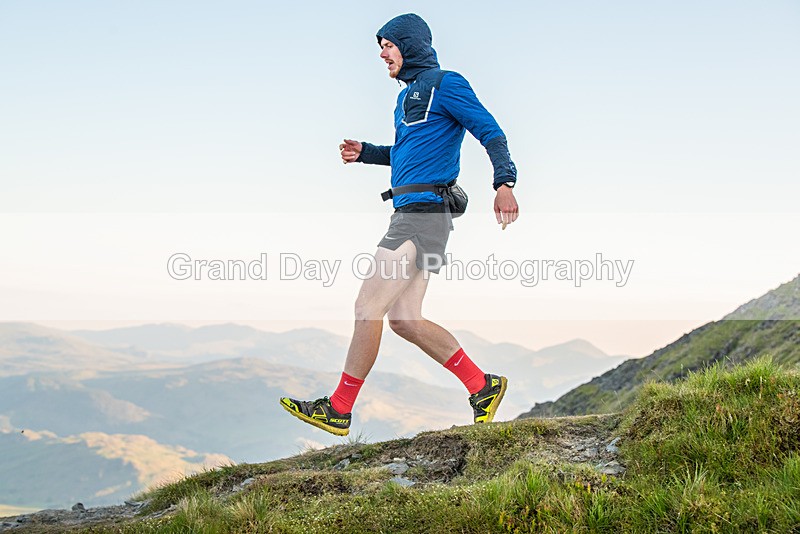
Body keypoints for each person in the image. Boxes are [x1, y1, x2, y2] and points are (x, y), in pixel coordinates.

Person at [280, 13, 518, 436]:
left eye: (388, 45)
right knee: (404, 318)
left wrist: (504, 182)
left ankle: (339, 407)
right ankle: (482, 386)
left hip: (421, 216)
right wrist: (367, 152)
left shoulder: (448, 83)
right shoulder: (405, 98)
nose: (381, 53)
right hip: (419, 214)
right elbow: (407, 153)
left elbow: (490, 131)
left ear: (409, 45)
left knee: (367, 307)